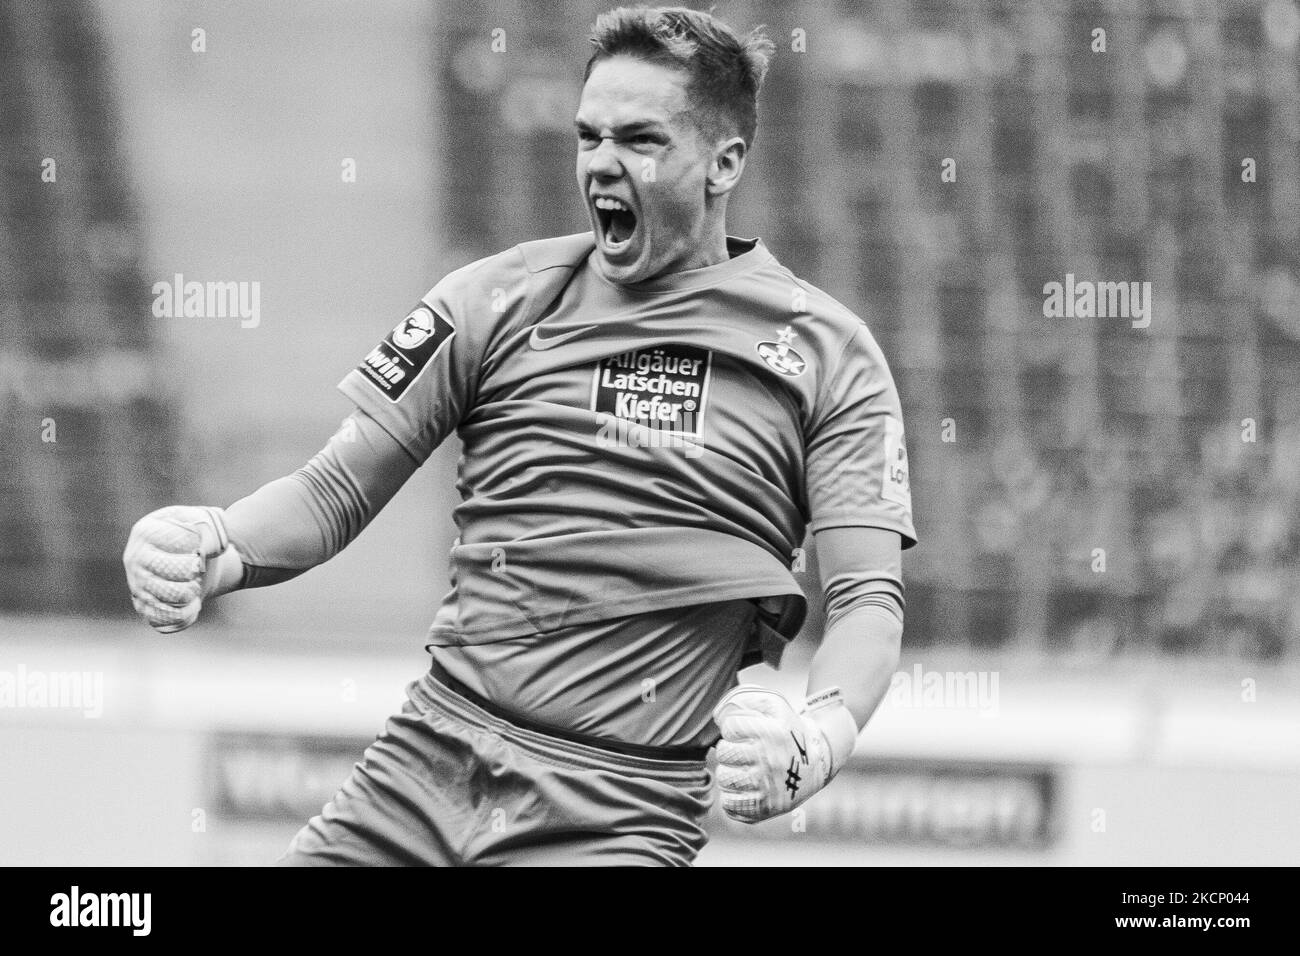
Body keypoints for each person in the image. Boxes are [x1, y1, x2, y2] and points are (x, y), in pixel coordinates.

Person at [122, 5, 916, 866]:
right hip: (422, 770)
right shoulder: (493, 298)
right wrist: (220, 542)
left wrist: (821, 733)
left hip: (618, 814)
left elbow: (866, 600)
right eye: (589, 136)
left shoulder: (829, 356)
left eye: (641, 140)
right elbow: (334, 490)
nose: (602, 164)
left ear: (725, 161)